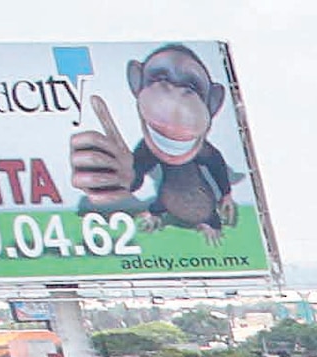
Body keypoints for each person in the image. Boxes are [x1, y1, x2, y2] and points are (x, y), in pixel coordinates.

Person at [69, 44, 241, 238]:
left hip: (202, 203)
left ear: (212, 103)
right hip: (167, 198)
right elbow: (136, 177)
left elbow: (215, 164)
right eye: (161, 79)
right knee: (165, 194)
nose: (173, 98)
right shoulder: (148, 147)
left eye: (191, 86)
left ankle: (210, 222)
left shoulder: (201, 148)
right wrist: (120, 175)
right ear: (137, 84)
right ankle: (157, 213)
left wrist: (226, 193)